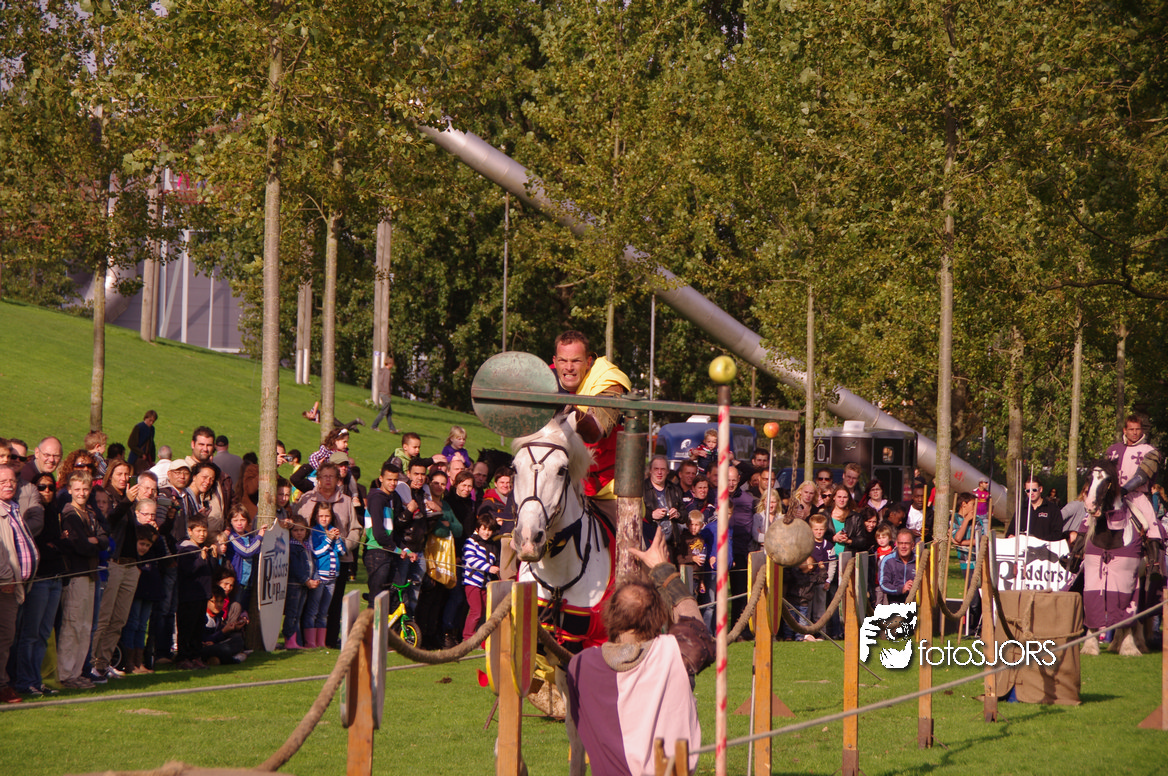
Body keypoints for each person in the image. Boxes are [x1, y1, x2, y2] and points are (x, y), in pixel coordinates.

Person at [565, 529, 714, 776]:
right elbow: (696, 629)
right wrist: (663, 570)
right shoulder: (672, 652)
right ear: (658, 617)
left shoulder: (580, 667)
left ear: (610, 616)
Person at [552, 330, 632, 529]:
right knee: (513, 532)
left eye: (576, 361)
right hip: (557, 480)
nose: (568, 367)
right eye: (563, 360)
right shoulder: (544, 378)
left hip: (606, 487)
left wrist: (569, 410)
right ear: (555, 361)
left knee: (631, 533)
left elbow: (597, 429)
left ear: (588, 361)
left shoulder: (608, 380)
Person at [58, 470, 108, 689]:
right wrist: (92, 542)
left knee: (86, 626)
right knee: (72, 625)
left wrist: (94, 541)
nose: (81, 493)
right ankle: (66, 673)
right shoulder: (69, 514)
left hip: (90, 573)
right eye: (77, 489)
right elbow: (80, 546)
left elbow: (105, 538)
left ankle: (77, 672)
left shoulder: (90, 512)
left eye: (85, 489)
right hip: (76, 574)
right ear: (70, 490)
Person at [0, 465, 39, 703]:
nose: (9, 484)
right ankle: (2, 685)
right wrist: (6, 578)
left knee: (8, 638)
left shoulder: (13, 507)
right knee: (4, 637)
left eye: (12, 480)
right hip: (5, 586)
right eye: (3, 481)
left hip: (17, 586)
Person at [1105, 415, 1164, 536]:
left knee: (1153, 530)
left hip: (1138, 497)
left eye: (1137, 429)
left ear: (1142, 430)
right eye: (1131, 429)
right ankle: (1077, 547)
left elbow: (1142, 476)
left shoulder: (1150, 451)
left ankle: (1153, 547)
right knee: (1086, 522)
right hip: (1113, 496)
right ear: (1125, 430)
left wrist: (1124, 490)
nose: (1135, 432)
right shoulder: (1113, 450)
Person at [176, 516, 217, 669]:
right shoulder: (185, 549)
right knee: (187, 628)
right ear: (190, 531)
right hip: (188, 596)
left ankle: (196, 656)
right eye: (198, 531)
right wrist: (201, 559)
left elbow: (212, 571)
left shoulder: (203, 548)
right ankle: (183, 657)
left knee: (198, 628)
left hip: (202, 595)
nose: (202, 534)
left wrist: (213, 558)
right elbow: (188, 570)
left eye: (204, 531)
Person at [461, 515, 499, 641]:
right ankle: (468, 637)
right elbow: (471, 559)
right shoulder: (471, 541)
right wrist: (489, 568)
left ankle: (477, 635)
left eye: (489, 530)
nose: (486, 532)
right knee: (476, 611)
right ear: (477, 529)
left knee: (483, 611)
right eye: (484, 529)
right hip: (472, 582)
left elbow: (495, 561)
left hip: (484, 584)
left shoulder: (493, 546)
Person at [1005, 478, 1063, 542]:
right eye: (1028, 491)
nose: (1031, 493)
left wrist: (1041, 541)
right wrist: (1011, 536)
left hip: (1045, 546)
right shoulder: (1021, 510)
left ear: (1040, 489)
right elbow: (1010, 532)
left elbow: (1057, 534)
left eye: (1034, 490)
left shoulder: (1053, 509)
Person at [642, 455, 683, 543]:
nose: (659, 472)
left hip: (671, 543)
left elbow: (685, 514)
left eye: (663, 469)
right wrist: (651, 515)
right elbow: (634, 513)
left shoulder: (675, 489)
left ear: (668, 471)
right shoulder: (641, 489)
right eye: (656, 469)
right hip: (649, 542)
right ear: (650, 470)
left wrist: (678, 514)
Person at [878, 529, 916, 605]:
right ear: (896, 544)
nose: (903, 546)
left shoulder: (919, 560)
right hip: (894, 605)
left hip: (916, 604)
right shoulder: (888, 560)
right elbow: (883, 584)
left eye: (907, 543)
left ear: (912, 545)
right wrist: (901, 589)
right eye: (901, 543)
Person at [370, 359, 399, 433]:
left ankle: (392, 429)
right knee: (384, 411)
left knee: (389, 412)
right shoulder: (387, 372)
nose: (393, 365)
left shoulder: (382, 371)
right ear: (389, 364)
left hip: (381, 392)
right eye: (392, 364)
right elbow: (386, 384)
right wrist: (388, 393)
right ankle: (374, 426)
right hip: (385, 394)